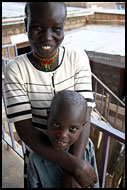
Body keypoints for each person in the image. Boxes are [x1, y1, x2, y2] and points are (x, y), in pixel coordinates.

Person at [4, 2, 97, 188]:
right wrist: (73, 166)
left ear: (64, 27)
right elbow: (24, 128)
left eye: (56, 28)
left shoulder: (77, 58)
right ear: (26, 25)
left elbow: (85, 113)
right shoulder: (15, 69)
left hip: (80, 150)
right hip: (42, 156)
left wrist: (73, 171)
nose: (47, 37)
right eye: (37, 27)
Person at [27, 90, 99, 188]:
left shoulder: (87, 147)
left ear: (83, 126)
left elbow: (94, 182)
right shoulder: (36, 160)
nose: (62, 135)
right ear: (48, 118)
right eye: (56, 124)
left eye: (72, 128)